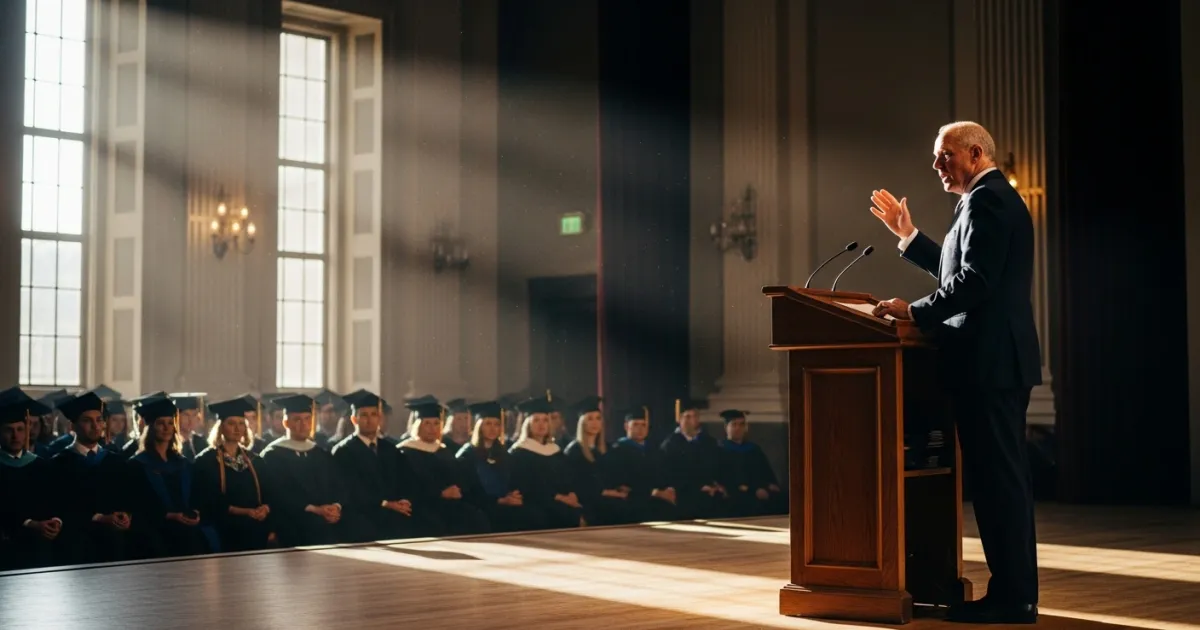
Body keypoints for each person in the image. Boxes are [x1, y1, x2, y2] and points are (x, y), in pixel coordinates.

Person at [869, 121, 1041, 624]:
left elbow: (974, 282)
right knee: (998, 481)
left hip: (990, 363)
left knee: (999, 484)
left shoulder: (988, 199)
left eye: (945, 156)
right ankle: (1016, 596)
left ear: (974, 152)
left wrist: (914, 312)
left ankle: (1013, 600)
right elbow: (959, 270)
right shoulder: (986, 198)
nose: (937, 166)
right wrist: (909, 237)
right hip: (992, 362)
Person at [127, 395, 213, 558]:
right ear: (151, 427)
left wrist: (195, 512)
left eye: (169, 423)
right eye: (160, 423)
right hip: (156, 536)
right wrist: (169, 515)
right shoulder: (137, 465)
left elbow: (197, 495)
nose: (166, 428)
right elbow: (137, 505)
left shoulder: (183, 463)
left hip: (187, 534)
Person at [193, 397, 276, 552]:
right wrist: (246, 512)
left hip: (255, 532)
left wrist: (266, 508)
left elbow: (270, 492)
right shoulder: (205, 461)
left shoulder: (255, 460)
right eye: (231, 423)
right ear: (221, 428)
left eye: (241, 424)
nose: (237, 429)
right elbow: (208, 501)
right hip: (224, 533)